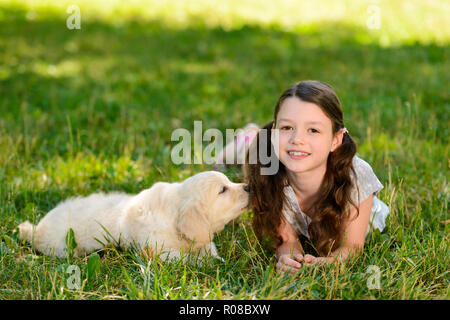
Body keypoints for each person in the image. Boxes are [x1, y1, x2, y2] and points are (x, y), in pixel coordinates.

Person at [219, 80, 389, 274]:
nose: (297, 139)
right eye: (287, 128)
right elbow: (287, 240)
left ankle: (250, 136)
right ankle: (246, 138)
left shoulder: (356, 176)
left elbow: (351, 247)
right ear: (275, 133)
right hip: (267, 151)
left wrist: (327, 263)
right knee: (244, 154)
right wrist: (290, 259)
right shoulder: (269, 174)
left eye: (313, 130)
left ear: (336, 140)